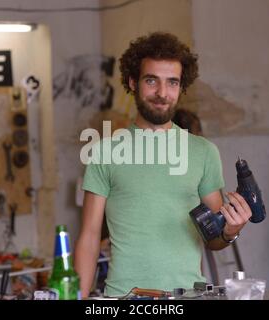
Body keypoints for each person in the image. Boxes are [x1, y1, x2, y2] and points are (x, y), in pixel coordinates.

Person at [74, 32, 252, 298]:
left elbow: (213, 238)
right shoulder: (104, 152)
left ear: (181, 87)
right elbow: (88, 240)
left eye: (172, 83)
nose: (162, 93)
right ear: (133, 82)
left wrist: (231, 231)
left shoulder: (203, 152)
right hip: (124, 298)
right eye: (151, 81)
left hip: (187, 297)